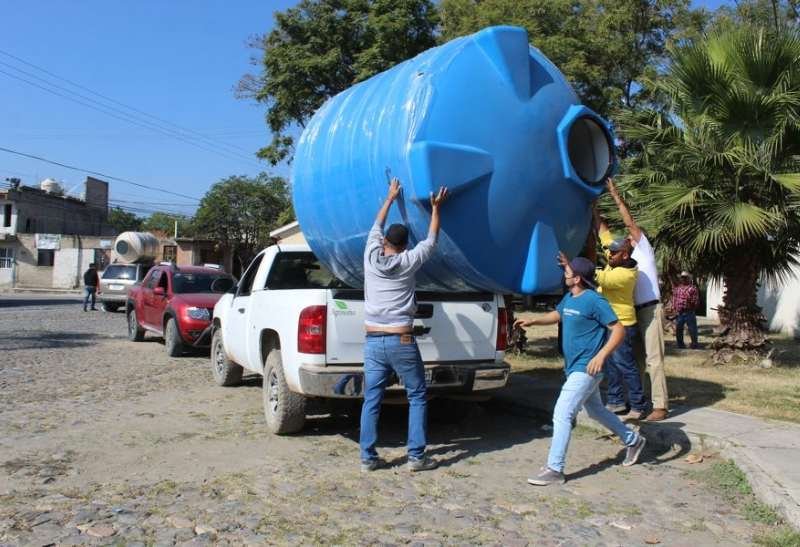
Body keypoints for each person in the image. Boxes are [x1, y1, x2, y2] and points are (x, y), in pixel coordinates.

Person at [514, 253, 646, 485]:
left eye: (568, 271)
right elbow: (558, 314)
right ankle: (633, 440)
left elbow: (619, 330)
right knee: (596, 411)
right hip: (574, 366)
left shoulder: (595, 301)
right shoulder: (570, 298)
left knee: (562, 413)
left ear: (577, 279)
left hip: (587, 368)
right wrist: (534, 321)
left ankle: (555, 469)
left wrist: (602, 355)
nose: (564, 273)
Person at [360, 178, 448, 472]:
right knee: (417, 395)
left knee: (372, 399)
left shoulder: (369, 256)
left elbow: (377, 224)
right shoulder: (409, 260)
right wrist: (436, 208)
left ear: (384, 241)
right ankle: (416, 458)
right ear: (405, 245)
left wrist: (390, 197)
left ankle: (368, 458)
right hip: (401, 339)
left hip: (373, 341)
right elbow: (431, 240)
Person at [605, 179, 669, 421]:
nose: (627, 237)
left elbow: (629, 222)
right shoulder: (624, 262)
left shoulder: (643, 249)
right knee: (637, 360)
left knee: (654, 358)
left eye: (629, 237)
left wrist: (615, 196)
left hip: (651, 309)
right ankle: (639, 402)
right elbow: (603, 235)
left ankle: (660, 405)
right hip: (633, 311)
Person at [593, 210, 650, 421]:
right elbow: (604, 235)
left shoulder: (624, 275)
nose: (609, 254)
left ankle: (638, 405)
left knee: (625, 365)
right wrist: (595, 210)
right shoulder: (616, 260)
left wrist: (573, 265)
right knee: (611, 364)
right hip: (611, 323)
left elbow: (596, 277)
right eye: (610, 252)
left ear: (625, 255)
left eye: (614, 253)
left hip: (622, 325)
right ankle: (616, 401)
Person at [672, 271, 700, 349]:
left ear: (689, 279)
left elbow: (696, 301)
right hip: (680, 313)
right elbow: (675, 298)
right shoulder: (678, 288)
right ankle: (680, 344)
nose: (683, 279)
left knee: (692, 329)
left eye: (685, 278)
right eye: (682, 278)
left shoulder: (693, 288)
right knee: (679, 329)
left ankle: (694, 344)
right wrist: (674, 308)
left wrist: (691, 303)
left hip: (689, 312)